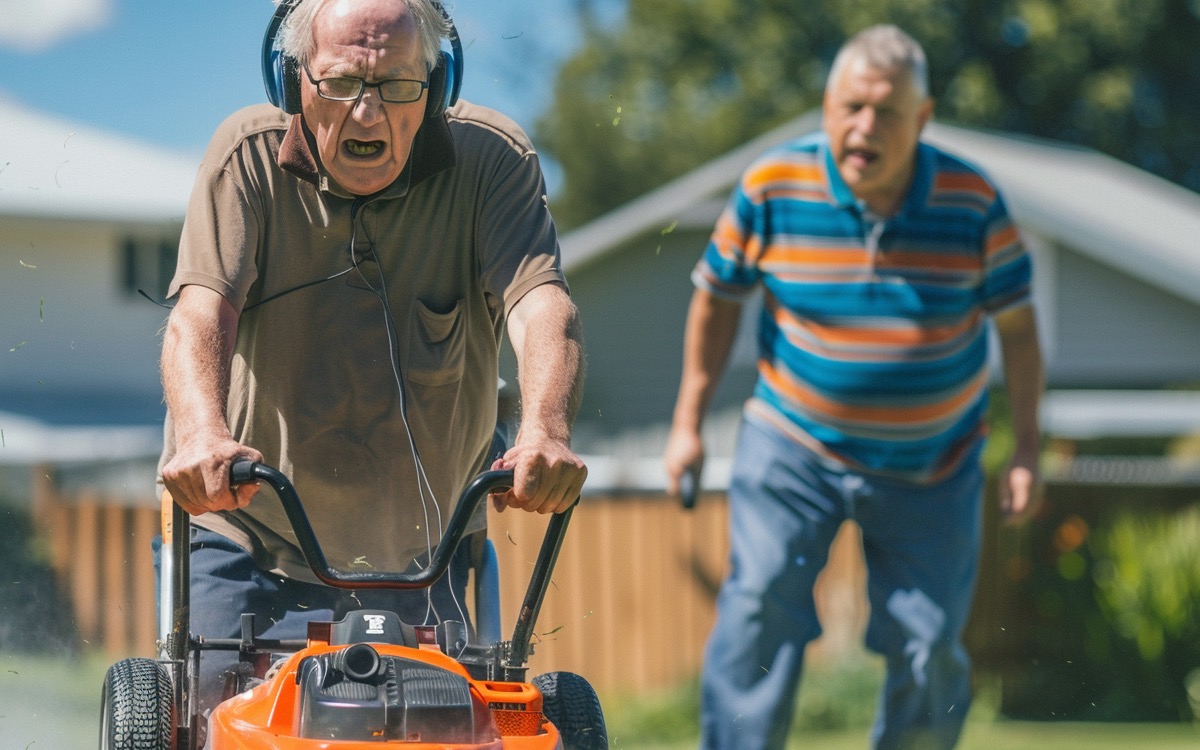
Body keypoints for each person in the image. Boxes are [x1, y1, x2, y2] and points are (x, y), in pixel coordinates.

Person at [157, 0, 586, 737]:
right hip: (250, 532)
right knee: (207, 727)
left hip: (426, 553)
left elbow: (540, 305)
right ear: (292, 83)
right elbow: (202, 314)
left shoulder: (493, 162)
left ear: (439, 86)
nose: (366, 113)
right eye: (341, 83)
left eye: (396, 85)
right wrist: (201, 433)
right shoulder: (245, 160)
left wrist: (546, 427)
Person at [663, 24, 1044, 750]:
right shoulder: (772, 186)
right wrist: (687, 422)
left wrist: (1027, 447)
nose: (863, 127)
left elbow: (1020, 333)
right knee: (759, 610)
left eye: (887, 111)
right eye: (850, 107)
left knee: (928, 645)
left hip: (933, 464)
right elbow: (715, 298)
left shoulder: (972, 202)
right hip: (793, 443)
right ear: (827, 106)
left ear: (923, 119)